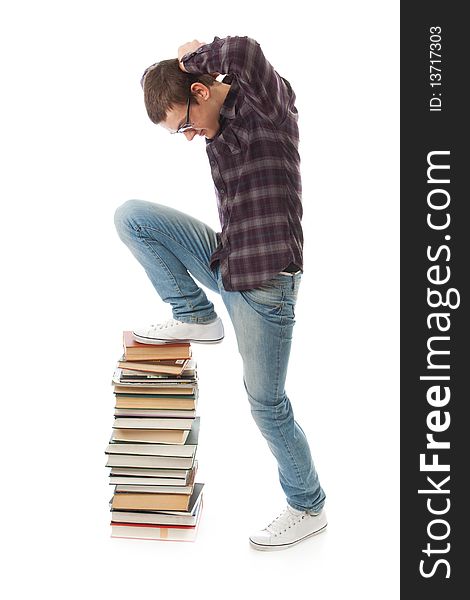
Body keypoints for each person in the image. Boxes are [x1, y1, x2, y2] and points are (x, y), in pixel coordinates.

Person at [114, 35, 327, 551]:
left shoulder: (268, 109)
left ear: (201, 91)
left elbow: (246, 53)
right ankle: (194, 312)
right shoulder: (215, 133)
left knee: (266, 404)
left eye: (184, 123)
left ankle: (308, 505)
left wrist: (194, 57)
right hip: (228, 263)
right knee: (132, 217)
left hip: (266, 288)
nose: (188, 136)